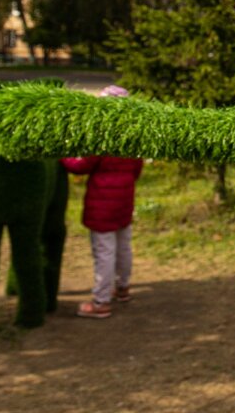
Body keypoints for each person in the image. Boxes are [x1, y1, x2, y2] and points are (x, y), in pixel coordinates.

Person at [61, 85, 144, 319]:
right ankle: (123, 287)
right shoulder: (134, 135)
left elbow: (82, 166)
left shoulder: (102, 136)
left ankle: (101, 301)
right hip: (124, 199)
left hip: (102, 202)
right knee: (123, 245)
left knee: (104, 252)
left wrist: (63, 156)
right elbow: (137, 168)